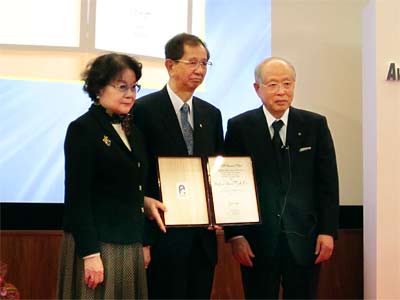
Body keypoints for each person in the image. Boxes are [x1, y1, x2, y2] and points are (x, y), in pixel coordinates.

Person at [224, 57, 339, 299]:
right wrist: (236, 234)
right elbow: (229, 186)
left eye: (287, 84)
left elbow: (327, 183)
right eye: (273, 84)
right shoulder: (240, 127)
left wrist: (328, 231)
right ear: (258, 89)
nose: (282, 91)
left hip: (305, 238)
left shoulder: (314, 125)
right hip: (257, 241)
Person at [57, 53, 166, 299]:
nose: (130, 94)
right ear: (98, 89)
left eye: (134, 87)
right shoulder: (83, 129)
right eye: (121, 87)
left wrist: (145, 238)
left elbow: (134, 186)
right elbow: (77, 197)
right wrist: (90, 254)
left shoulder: (134, 131)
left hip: (130, 242)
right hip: (98, 245)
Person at [132, 33, 224, 299]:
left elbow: (216, 170)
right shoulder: (143, 110)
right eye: (192, 62)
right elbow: (138, 176)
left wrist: (219, 209)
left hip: (202, 241)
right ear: (170, 65)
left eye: (205, 63)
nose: (200, 70)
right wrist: (143, 238)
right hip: (162, 237)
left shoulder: (212, 114)